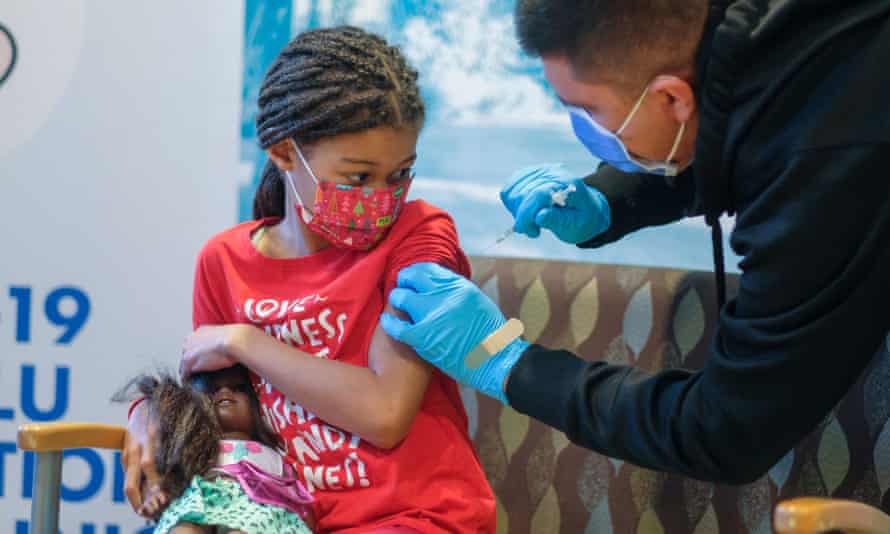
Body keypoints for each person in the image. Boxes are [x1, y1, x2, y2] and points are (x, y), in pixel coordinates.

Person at [380, 0, 890, 485]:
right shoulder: (766, 46)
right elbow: (723, 125)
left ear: (670, 96)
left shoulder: (828, 159)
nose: (584, 131)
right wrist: (605, 203)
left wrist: (502, 359)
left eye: (589, 111)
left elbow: (726, 430)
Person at [122, 26, 495, 533]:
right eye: (359, 177)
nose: (383, 197)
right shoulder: (224, 261)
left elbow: (385, 412)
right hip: (276, 514)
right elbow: (217, 404)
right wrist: (150, 415)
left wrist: (247, 340)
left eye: (400, 174)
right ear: (283, 153)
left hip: (415, 517)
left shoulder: (419, 236)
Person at [117, 366, 315, 533]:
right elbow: (172, 476)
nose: (224, 393)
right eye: (213, 390)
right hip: (198, 500)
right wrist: (158, 493)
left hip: (252, 508)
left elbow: (293, 494)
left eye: (238, 388)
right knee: (182, 528)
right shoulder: (197, 449)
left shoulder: (273, 456)